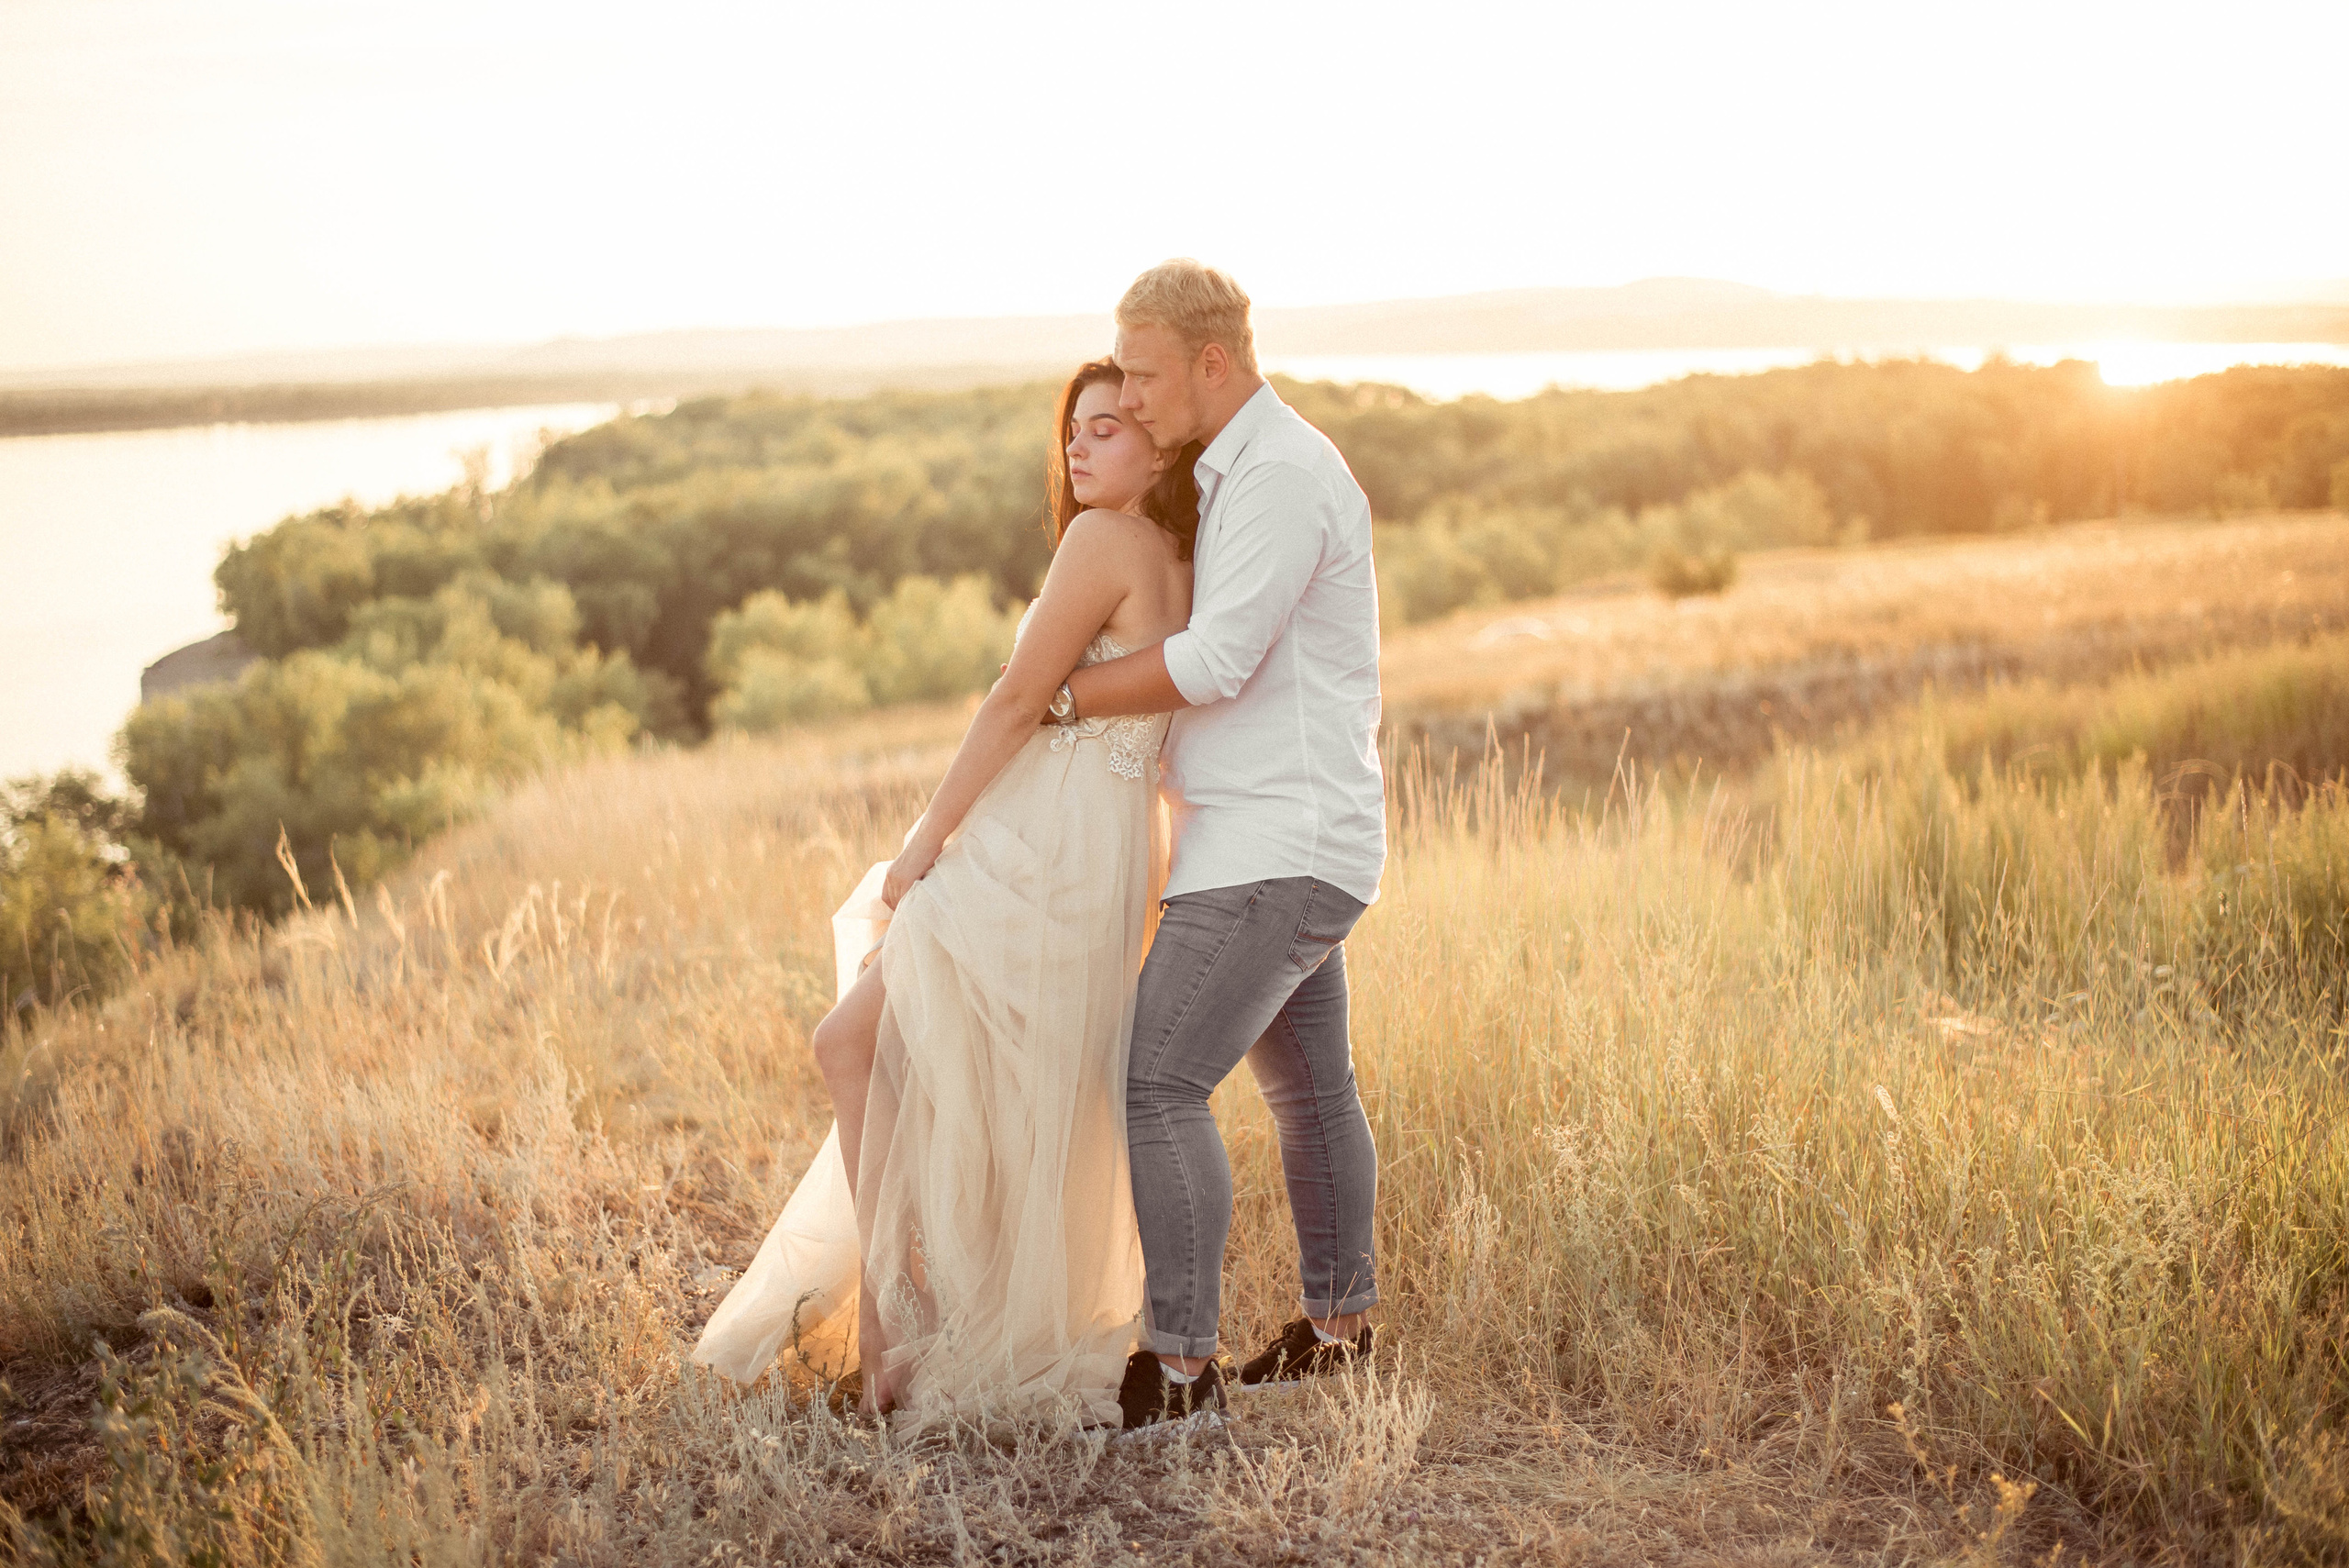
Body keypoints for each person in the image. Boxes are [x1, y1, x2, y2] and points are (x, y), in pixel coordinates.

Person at [691, 358, 1197, 1427]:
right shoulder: (1166, 554)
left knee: (855, 1041)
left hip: (1041, 845)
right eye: (1072, 429)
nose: (1077, 445)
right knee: (909, 1056)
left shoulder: (1106, 539)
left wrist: (926, 838)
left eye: (1106, 429)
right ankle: (896, 1323)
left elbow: (1018, 698)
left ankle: (896, 1322)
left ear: (1159, 448)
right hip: (1085, 847)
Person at [1065, 260, 1387, 1428]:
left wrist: (1057, 696)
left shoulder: (1282, 474)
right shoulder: (1241, 469)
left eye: (1145, 374)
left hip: (1274, 845)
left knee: (1156, 1081)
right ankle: (1337, 1331)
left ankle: (1180, 1368)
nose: (1132, 397)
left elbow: (1215, 661)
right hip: (1279, 832)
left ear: (1214, 362)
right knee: (1311, 1094)